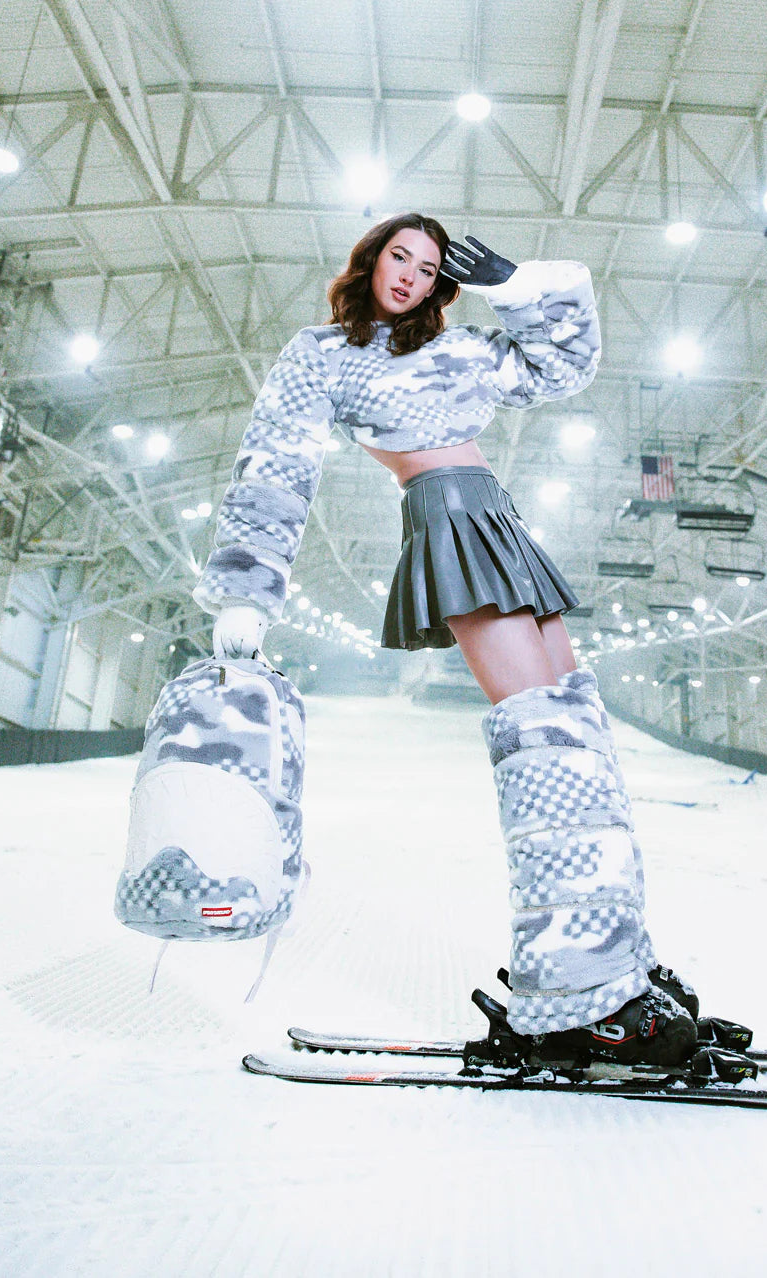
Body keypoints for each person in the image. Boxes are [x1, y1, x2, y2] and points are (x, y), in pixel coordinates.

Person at [192, 211, 698, 1067]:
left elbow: (564, 367)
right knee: (536, 728)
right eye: (400, 256)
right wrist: (247, 589)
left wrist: (516, 293)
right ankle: (572, 993)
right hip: (448, 517)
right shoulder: (321, 354)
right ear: (373, 258)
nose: (410, 277)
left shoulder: (464, 352)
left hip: (495, 512)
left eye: (429, 269)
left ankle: (614, 962)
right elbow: (276, 459)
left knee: (574, 726)